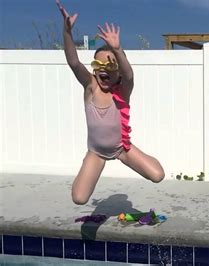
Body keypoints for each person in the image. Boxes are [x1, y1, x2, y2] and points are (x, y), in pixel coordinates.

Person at [57, 0, 165, 205]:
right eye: (98, 64)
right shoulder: (91, 88)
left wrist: (118, 49)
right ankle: (84, 173)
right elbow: (73, 62)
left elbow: (129, 74)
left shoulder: (123, 91)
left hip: (122, 149)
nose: (103, 69)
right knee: (79, 198)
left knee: (158, 175)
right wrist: (67, 33)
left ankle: (145, 159)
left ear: (118, 71)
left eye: (110, 64)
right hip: (96, 153)